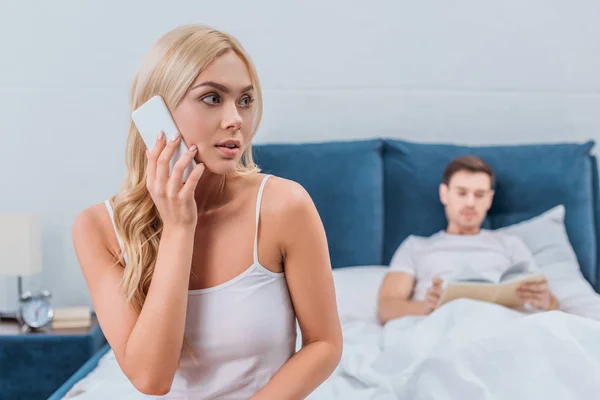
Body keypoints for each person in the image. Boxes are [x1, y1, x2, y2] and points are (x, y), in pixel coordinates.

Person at [72, 24, 342, 399]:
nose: (235, 120)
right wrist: (179, 228)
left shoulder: (285, 206)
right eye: (213, 98)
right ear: (157, 112)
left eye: (244, 100)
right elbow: (152, 378)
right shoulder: (97, 228)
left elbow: (324, 344)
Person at [377, 155, 559, 324]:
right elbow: (386, 308)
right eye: (462, 193)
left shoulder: (511, 244)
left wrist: (546, 301)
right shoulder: (416, 246)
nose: (471, 203)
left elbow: (551, 305)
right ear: (444, 193)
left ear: (489, 199)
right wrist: (426, 307)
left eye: (479, 195)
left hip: (501, 325)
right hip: (440, 324)